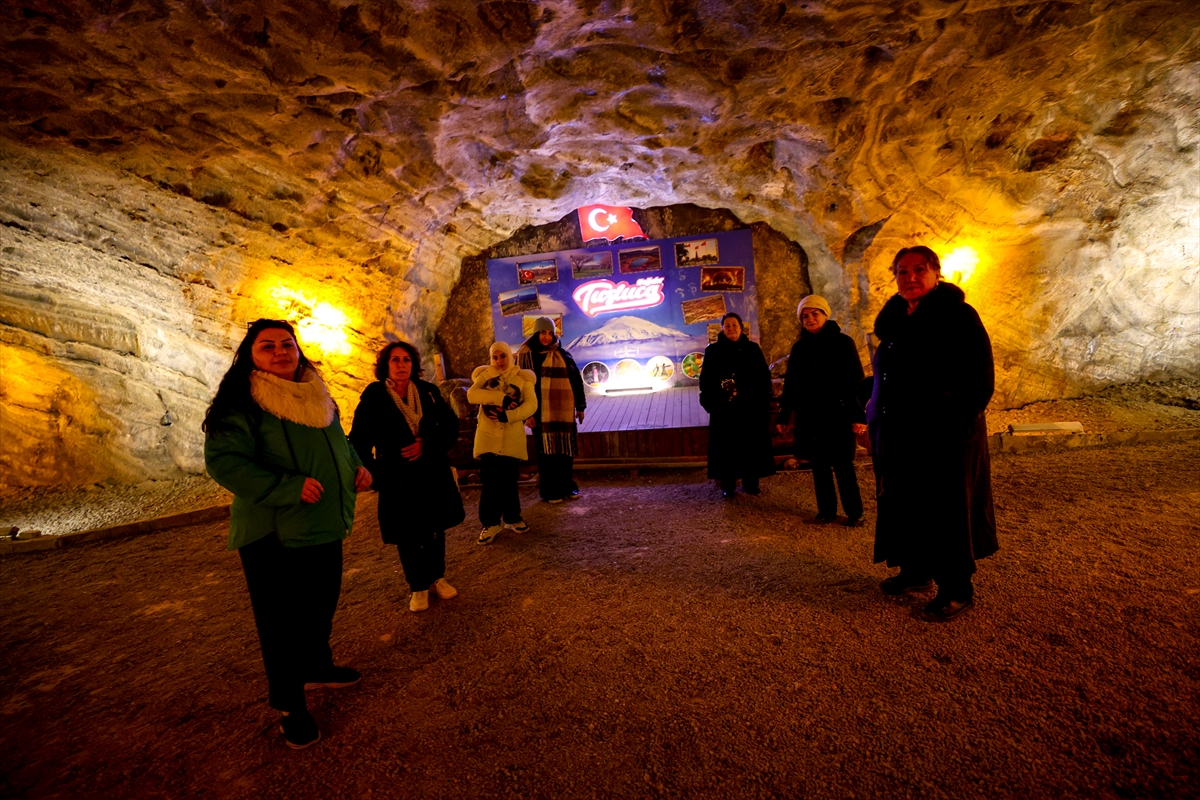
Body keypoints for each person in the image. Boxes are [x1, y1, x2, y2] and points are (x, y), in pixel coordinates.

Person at [203, 318, 372, 750]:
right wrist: (286, 488)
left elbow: (339, 439)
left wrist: (356, 464)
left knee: (320, 605)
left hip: (323, 524)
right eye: (267, 347)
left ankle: (316, 668)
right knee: (281, 623)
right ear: (250, 355)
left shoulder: (315, 391)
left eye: (286, 344)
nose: (280, 352)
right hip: (273, 532)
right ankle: (290, 706)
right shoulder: (243, 402)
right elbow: (225, 462)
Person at [868, 245, 998, 622]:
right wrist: (870, 400)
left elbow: (979, 379)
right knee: (907, 503)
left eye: (918, 270)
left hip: (945, 435)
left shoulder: (957, 316)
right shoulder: (895, 320)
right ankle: (916, 570)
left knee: (947, 509)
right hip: (901, 432)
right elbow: (892, 374)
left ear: (936, 273)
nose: (910, 277)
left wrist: (956, 419)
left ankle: (957, 588)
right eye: (902, 271)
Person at [349, 342, 464, 613]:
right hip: (397, 478)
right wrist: (375, 475)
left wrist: (427, 444)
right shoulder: (375, 396)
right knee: (408, 533)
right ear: (385, 365)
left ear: (413, 364)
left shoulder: (428, 392)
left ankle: (437, 578)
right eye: (395, 360)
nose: (401, 365)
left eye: (406, 360)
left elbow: (450, 426)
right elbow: (359, 440)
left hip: (431, 473)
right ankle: (418, 585)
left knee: (435, 529)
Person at [777, 295, 867, 526]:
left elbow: (856, 381)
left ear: (825, 315)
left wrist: (859, 417)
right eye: (804, 316)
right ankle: (826, 511)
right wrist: (785, 414)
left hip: (838, 414)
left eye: (814, 313)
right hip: (812, 415)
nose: (809, 319)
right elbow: (792, 384)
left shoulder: (843, 343)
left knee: (843, 464)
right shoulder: (800, 348)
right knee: (819, 466)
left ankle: (855, 513)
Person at [699, 312, 775, 497]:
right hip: (725, 410)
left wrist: (763, 401)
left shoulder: (752, 349)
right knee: (726, 448)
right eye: (727, 325)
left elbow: (763, 377)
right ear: (723, 329)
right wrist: (712, 404)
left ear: (741, 327)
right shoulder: (713, 351)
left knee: (751, 446)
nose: (731, 328)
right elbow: (706, 380)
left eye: (734, 325)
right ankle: (728, 485)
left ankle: (751, 483)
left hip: (750, 409)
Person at [467, 341, 537, 544]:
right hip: (488, 437)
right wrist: (500, 398)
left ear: (510, 356)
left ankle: (512, 517)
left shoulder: (522, 379)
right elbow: (472, 394)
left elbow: (531, 404)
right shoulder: (484, 376)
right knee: (490, 482)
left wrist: (510, 416)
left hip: (511, 437)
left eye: (502, 356)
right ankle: (490, 522)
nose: (499, 361)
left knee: (509, 480)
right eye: (495, 357)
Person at [516, 317, 587, 504]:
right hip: (539, 413)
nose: (546, 337)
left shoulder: (562, 354)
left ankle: (566, 486)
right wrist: (527, 414)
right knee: (546, 454)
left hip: (563, 413)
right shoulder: (526, 356)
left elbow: (576, 381)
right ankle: (550, 491)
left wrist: (580, 407)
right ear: (536, 333)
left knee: (564, 452)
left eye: (549, 333)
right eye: (542, 332)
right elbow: (521, 386)